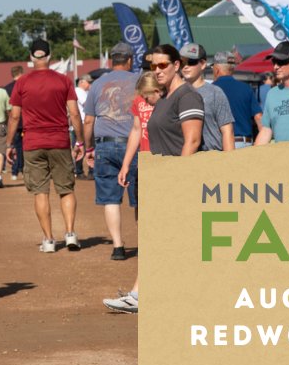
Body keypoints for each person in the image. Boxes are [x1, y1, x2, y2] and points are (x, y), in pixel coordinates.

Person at [106, 45, 204, 314]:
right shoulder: (166, 98)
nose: (157, 71)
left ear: (176, 65)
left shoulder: (187, 97)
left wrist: (179, 179)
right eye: (153, 66)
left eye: (163, 65)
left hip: (178, 179)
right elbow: (140, 130)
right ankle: (139, 295)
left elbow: (192, 140)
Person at [4, 39, 84, 253]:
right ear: (49, 56)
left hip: (33, 143)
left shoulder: (22, 83)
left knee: (40, 192)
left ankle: (49, 240)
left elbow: (14, 117)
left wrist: (9, 143)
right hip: (59, 140)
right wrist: (81, 141)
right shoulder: (63, 81)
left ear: (31, 57)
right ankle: (69, 234)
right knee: (66, 189)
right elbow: (74, 113)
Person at [82, 43, 140, 261]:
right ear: (130, 60)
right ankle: (147, 243)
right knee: (140, 198)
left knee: (110, 199)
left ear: (111, 60)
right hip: (133, 144)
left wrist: (88, 147)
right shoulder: (139, 81)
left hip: (104, 144)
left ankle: (117, 246)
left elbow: (88, 121)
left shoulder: (97, 84)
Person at [179, 43, 235, 152]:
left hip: (212, 158)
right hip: (183, 158)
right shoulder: (176, 94)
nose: (185, 66)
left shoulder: (215, 93)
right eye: (182, 62)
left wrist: (230, 162)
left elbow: (227, 130)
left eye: (191, 62)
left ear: (203, 64)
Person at [211, 52, 262, 149]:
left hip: (223, 144)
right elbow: (259, 117)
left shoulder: (211, 90)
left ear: (216, 69)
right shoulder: (246, 88)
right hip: (245, 143)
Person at [4, 65, 26, 181]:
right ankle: (24, 169)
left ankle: (15, 171)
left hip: (14, 122)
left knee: (14, 148)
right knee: (26, 148)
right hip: (27, 121)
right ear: (21, 73)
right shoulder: (27, 86)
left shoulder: (7, 89)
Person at [73, 74, 94, 180]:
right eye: (88, 82)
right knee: (86, 146)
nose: (90, 84)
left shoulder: (82, 91)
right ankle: (83, 171)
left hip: (80, 123)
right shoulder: (78, 90)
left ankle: (82, 171)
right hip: (81, 123)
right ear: (81, 82)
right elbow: (87, 104)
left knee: (81, 146)